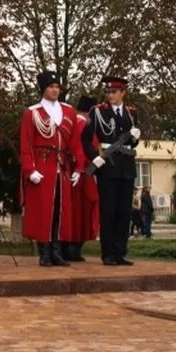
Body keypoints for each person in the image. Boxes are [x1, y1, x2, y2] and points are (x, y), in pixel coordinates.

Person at [19, 70, 83, 266]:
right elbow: (26, 144)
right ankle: (45, 253)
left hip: (62, 166)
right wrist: (30, 169)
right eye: (51, 87)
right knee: (43, 211)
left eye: (57, 87)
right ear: (43, 89)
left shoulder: (69, 111)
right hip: (42, 165)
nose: (55, 90)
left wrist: (79, 167)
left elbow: (75, 143)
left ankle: (56, 251)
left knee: (60, 211)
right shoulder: (32, 113)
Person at [81, 75, 141, 266]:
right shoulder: (97, 111)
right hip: (108, 165)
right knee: (108, 211)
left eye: (114, 92)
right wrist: (94, 157)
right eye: (108, 92)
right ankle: (108, 253)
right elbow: (85, 138)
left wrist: (135, 138)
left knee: (124, 212)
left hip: (127, 167)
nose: (110, 95)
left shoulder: (131, 112)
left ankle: (120, 252)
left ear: (123, 93)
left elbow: (132, 141)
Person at [64, 95, 100, 261]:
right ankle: (74, 247)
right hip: (84, 172)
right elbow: (84, 149)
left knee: (71, 211)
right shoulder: (85, 124)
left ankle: (68, 246)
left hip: (70, 172)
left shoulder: (70, 122)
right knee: (83, 212)